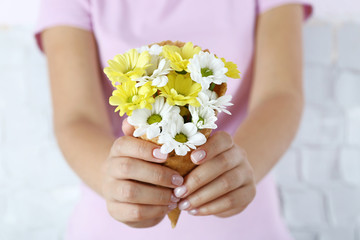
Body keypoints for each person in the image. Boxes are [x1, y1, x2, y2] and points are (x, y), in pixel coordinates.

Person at [35, 0, 312, 239]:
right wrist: (113, 180)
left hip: (244, 223)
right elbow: (76, 117)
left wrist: (240, 167)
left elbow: (281, 94)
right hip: (113, 222)